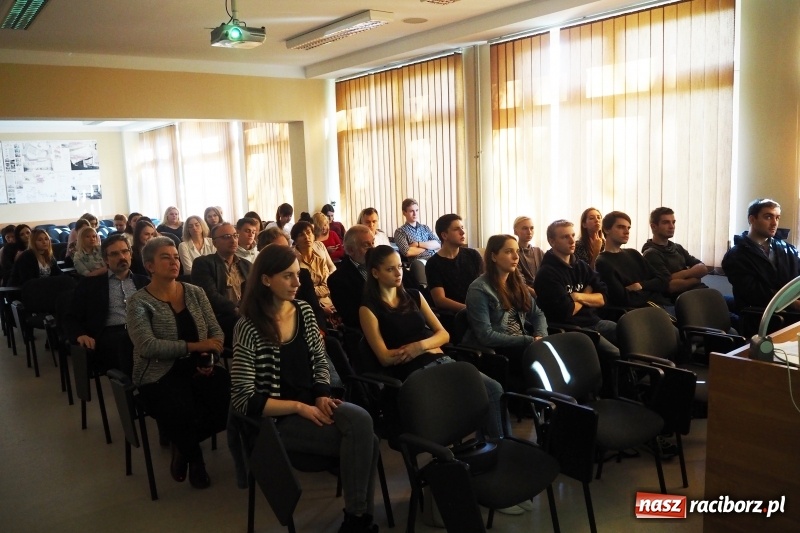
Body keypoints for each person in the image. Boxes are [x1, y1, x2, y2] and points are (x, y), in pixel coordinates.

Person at [230, 244, 379, 533]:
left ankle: (356, 520)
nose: (297, 283)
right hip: (276, 421)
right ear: (265, 279)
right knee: (367, 443)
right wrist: (300, 407)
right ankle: (358, 520)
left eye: (298, 275)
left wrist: (322, 393)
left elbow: (320, 361)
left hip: (313, 402)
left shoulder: (304, 311)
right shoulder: (248, 326)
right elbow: (243, 399)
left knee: (361, 420)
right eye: (288, 276)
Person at [359, 245, 507, 439]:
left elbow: (444, 335)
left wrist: (419, 346)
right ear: (375, 273)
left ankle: (498, 446)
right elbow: (385, 357)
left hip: (441, 361)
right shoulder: (368, 308)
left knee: (494, 390)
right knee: (467, 402)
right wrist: (429, 344)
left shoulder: (413, 295)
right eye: (390, 269)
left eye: (400, 267)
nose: (398, 273)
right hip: (414, 373)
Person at [127, 237, 230, 490]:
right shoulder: (139, 301)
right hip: (158, 373)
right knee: (179, 406)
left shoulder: (195, 292)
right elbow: (147, 346)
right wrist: (195, 347)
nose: (174, 262)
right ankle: (195, 459)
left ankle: (182, 444)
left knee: (231, 397)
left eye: (176, 257)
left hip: (197, 367)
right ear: (149, 266)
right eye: (166, 257)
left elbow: (216, 334)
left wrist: (208, 357)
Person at [533, 220, 620, 391]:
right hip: (572, 329)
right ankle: (610, 395)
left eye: (572, 235)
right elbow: (567, 311)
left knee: (628, 337)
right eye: (565, 237)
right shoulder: (547, 274)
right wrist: (589, 294)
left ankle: (625, 391)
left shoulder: (580, 265)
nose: (572, 240)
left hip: (594, 321)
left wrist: (578, 296)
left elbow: (603, 298)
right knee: (615, 354)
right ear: (552, 241)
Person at [66, 234, 149, 375]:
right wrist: (80, 334)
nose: (122, 257)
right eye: (115, 254)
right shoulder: (90, 285)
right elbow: (71, 317)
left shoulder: (144, 282)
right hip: (110, 335)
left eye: (125, 251)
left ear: (131, 254)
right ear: (106, 259)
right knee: (128, 344)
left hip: (143, 332)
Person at [462, 234, 547, 368]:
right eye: (508, 252)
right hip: (499, 351)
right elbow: (486, 335)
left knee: (559, 350)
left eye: (517, 251)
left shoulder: (517, 283)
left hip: (522, 343)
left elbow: (537, 314)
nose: (516, 257)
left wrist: (540, 335)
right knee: (544, 360)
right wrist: (529, 340)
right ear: (493, 256)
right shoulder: (479, 289)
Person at [722, 198, 800, 312]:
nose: (774, 223)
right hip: (761, 318)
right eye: (768, 217)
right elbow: (756, 295)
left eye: (777, 217)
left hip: (791, 315)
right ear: (752, 219)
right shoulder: (735, 256)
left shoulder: (788, 249)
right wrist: (794, 304)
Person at [595, 211, 671, 311]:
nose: (627, 232)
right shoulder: (603, 262)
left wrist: (641, 285)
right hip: (643, 312)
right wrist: (652, 290)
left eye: (628, 228)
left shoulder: (633, 253)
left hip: (663, 304)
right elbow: (623, 299)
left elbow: (663, 281)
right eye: (621, 227)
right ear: (606, 229)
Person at [191, 222, 252, 347]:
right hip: (220, 318)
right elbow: (210, 296)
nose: (233, 240)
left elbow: (254, 292)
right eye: (226, 237)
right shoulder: (204, 263)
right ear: (214, 243)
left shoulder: (246, 265)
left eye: (235, 236)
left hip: (246, 315)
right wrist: (237, 310)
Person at [641, 207, 708, 299]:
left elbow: (703, 268)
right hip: (685, 300)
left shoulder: (677, 247)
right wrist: (696, 279)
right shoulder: (651, 254)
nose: (672, 226)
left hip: (702, 291)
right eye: (666, 222)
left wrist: (684, 274)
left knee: (729, 304)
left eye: (673, 222)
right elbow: (670, 286)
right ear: (654, 226)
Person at [425, 214, 482, 314]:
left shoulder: (473, 255)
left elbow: (485, 284)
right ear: (444, 235)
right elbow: (440, 300)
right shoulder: (433, 263)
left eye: (462, 228)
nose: (463, 232)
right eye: (456, 229)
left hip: (480, 309)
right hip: (456, 316)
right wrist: (470, 309)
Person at [329, 225, 375, 329]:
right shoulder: (338, 280)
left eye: (373, 243)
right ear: (351, 250)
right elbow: (352, 319)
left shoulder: (381, 266)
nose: (373, 249)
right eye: (366, 245)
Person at [291, 221, 335, 312]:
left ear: (313, 235)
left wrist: (310, 290)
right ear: (295, 241)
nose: (306, 237)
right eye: (301, 235)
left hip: (325, 301)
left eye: (308, 232)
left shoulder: (319, 259)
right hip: (305, 304)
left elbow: (327, 287)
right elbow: (298, 292)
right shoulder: (293, 261)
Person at [513, 216, 544, 296]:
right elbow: (518, 282)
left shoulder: (538, 251)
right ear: (515, 231)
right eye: (524, 228)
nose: (529, 232)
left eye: (532, 228)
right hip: (525, 295)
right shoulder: (514, 254)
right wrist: (538, 296)